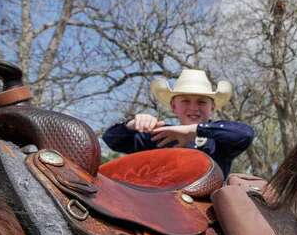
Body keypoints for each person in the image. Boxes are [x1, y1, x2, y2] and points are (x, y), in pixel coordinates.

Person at [103, 68, 253, 175]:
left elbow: (245, 134)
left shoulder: (219, 141)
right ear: (174, 107)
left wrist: (195, 130)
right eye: (186, 101)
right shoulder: (161, 135)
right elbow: (111, 139)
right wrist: (131, 125)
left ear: (212, 107)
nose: (193, 108)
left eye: (201, 102)